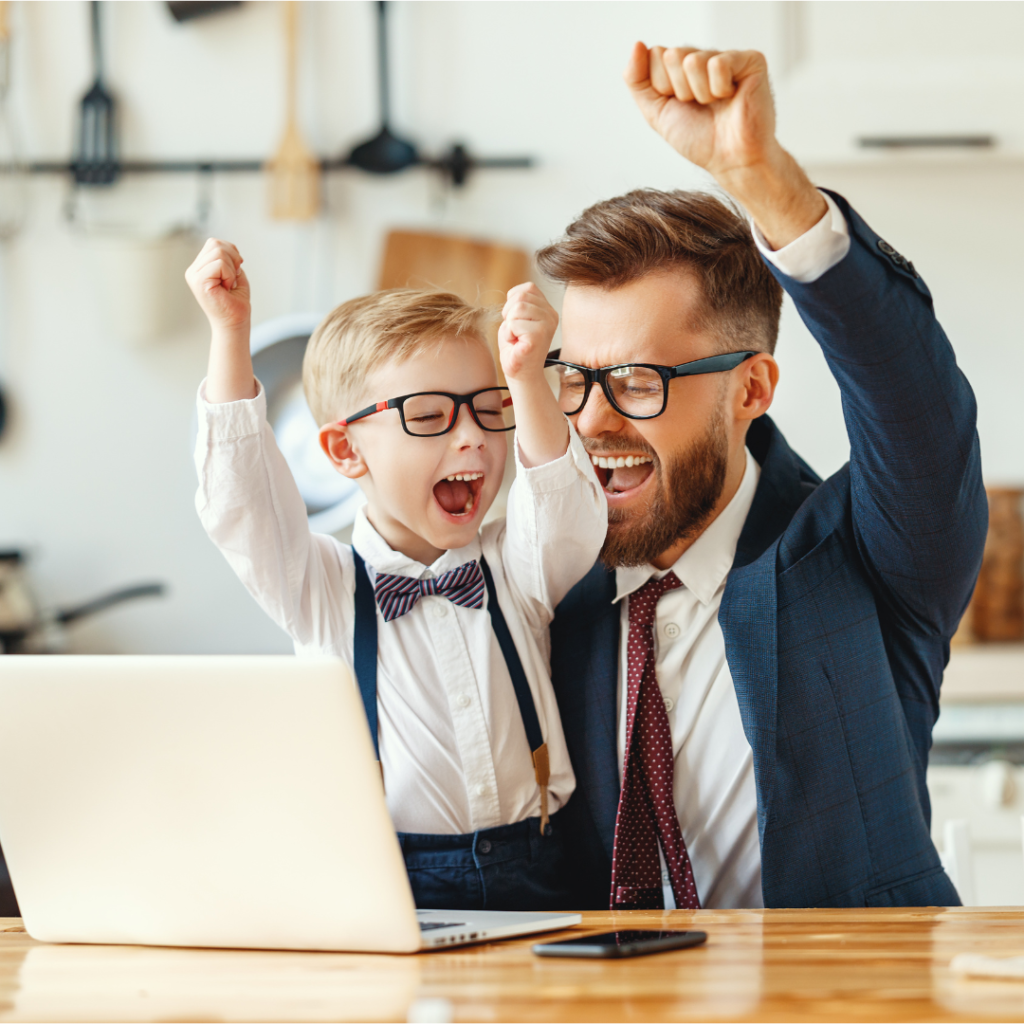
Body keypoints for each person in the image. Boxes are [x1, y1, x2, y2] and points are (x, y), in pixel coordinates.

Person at [545, 43, 987, 910]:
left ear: (750, 388)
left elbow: (917, 412)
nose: (593, 422)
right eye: (575, 378)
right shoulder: (543, 572)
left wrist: (767, 184)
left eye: (638, 381)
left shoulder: (864, 559)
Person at [185, 251, 606, 911]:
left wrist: (526, 382)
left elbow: (570, 511)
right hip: (389, 887)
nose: (471, 439)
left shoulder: (515, 566)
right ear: (345, 451)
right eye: (431, 416)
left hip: (541, 876)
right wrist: (229, 332)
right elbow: (242, 503)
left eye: (485, 408)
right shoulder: (320, 586)